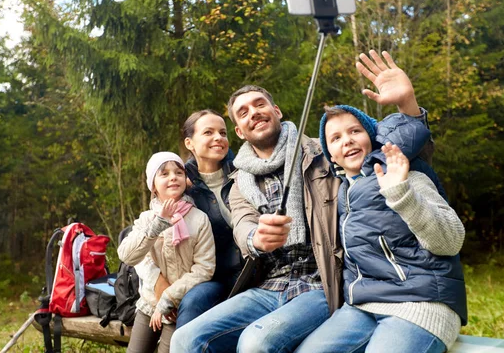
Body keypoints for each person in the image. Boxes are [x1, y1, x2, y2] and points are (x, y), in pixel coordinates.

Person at [171, 50, 431, 353]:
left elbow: (399, 152)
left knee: (255, 343)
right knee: (185, 339)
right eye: (243, 112)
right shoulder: (239, 181)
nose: (253, 112)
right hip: (268, 286)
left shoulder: (323, 152)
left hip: (322, 284)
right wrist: (257, 238)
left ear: (277, 111)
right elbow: (243, 226)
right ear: (240, 132)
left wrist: (407, 105)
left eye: (259, 104)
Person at [294, 103, 467, 353]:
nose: (347, 141)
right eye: (336, 138)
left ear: (371, 137)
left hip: (420, 303)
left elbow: (450, 241)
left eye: (355, 131)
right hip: (362, 307)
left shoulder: (406, 174)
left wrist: (401, 195)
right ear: (330, 155)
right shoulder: (343, 193)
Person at [147, 110, 243, 328]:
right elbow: (148, 232)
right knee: (192, 302)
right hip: (212, 278)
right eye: (208, 132)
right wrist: (158, 283)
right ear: (189, 143)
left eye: (223, 132)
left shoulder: (244, 172)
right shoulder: (180, 183)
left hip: (252, 274)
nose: (218, 138)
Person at [117, 152, 215, 353]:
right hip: (149, 303)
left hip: (177, 307)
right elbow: (128, 256)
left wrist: (170, 297)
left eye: (178, 172)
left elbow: (204, 268)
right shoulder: (146, 219)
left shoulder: (199, 219)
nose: (173, 177)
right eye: (164, 173)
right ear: (153, 186)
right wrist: (158, 224)